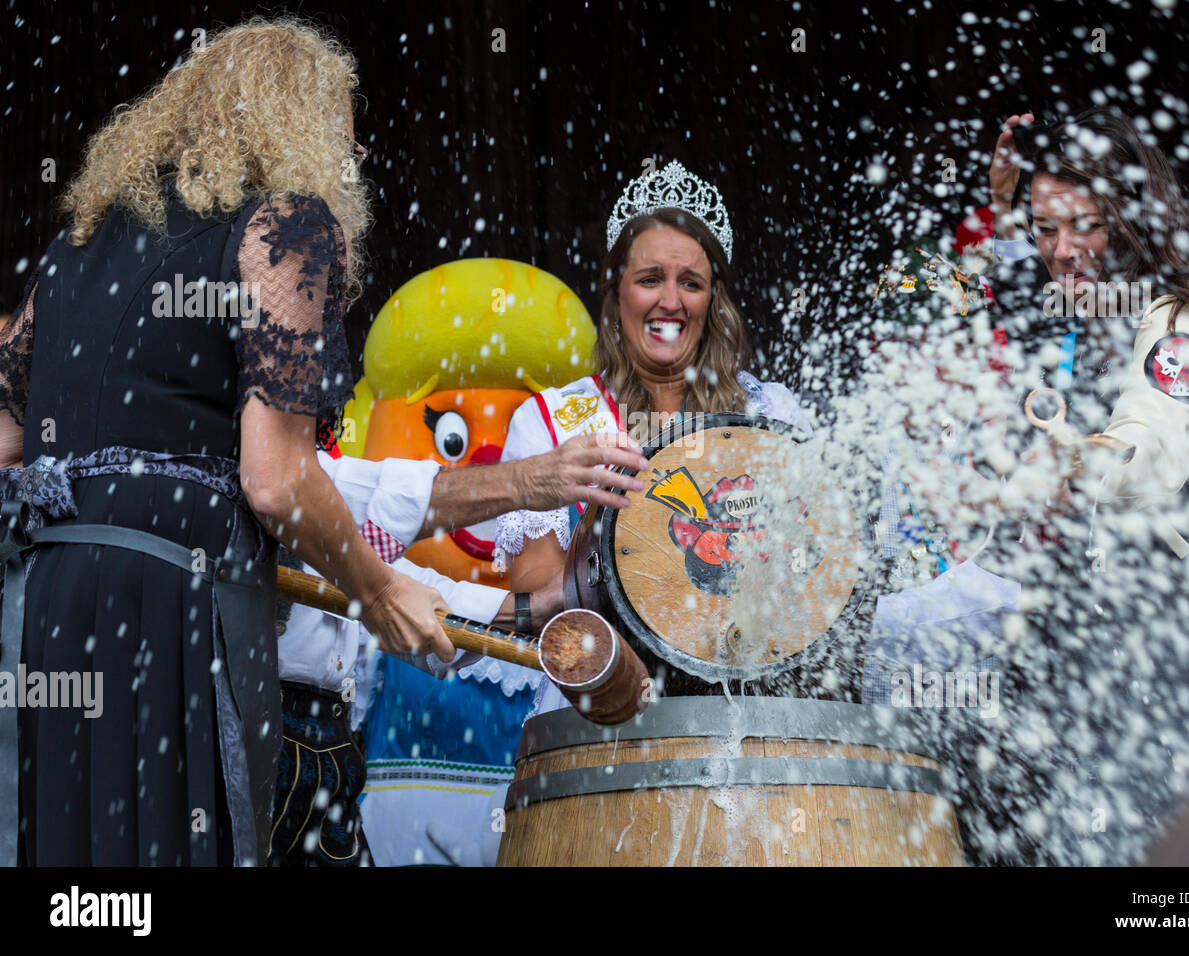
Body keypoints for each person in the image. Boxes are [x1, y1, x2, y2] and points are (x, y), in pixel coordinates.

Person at [0, 18, 460, 866]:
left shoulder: (75, 246)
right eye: (344, 139)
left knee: (84, 871)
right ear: (296, 128)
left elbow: (6, 445)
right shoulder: (287, 227)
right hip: (183, 592)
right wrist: (379, 590)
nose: (351, 162)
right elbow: (276, 481)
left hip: (56, 603)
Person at [957, 105, 1189, 864]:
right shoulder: (1083, 306)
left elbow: (1150, 447)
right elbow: (1007, 305)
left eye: (1086, 226)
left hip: (1177, 646)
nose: (1062, 250)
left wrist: (1058, 474)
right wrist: (1001, 209)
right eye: (1044, 229)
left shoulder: (1178, 312)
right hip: (1089, 643)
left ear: (1129, 217)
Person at [493, 160, 809, 715]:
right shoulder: (550, 420)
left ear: (713, 300)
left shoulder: (769, 412)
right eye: (649, 279)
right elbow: (543, 595)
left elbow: (813, 565)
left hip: (751, 705)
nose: (671, 301)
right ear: (616, 293)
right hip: (604, 709)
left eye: (690, 283)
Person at [268, 431, 647, 866]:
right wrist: (523, 481)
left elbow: (359, 550)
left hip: (322, 748)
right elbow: (301, 493)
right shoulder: (267, 467)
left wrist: (529, 608)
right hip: (269, 728)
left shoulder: (311, 494)